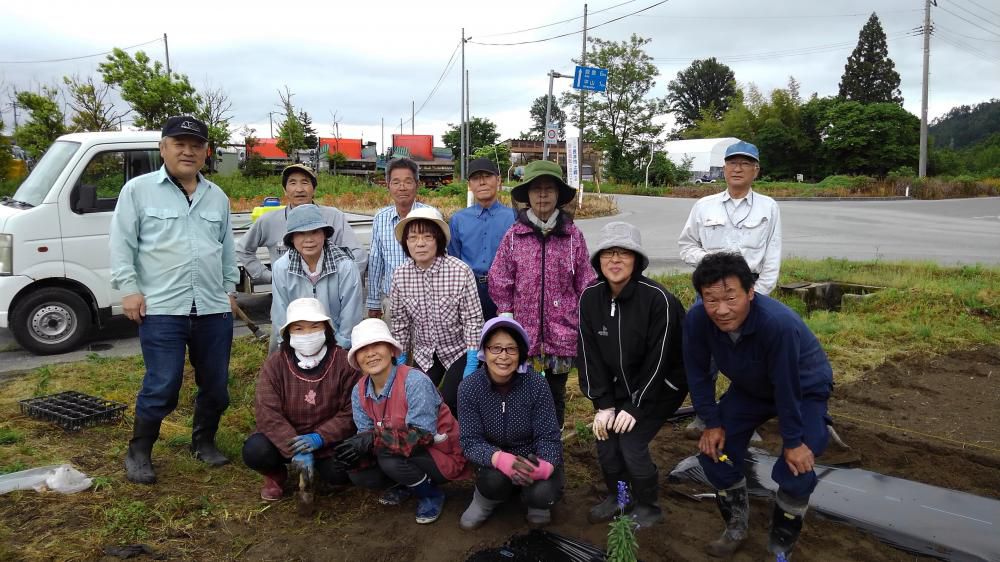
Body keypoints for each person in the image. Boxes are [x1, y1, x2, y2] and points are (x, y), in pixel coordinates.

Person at [110, 115, 239, 484]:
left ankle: (203, 442)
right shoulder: (138, 191)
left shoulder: (217, 198)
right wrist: (129, 289)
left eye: (196, 145)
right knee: (163, 383)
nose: (188, 151)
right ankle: (139, 450)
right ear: (163, 147)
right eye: (179, 144)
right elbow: (122, 244)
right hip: (162, 306)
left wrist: (228, 289)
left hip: (213, 307)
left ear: (206, 152)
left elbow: (227, 250)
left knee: (215, 384)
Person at [684, 252, 833, 558]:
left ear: (751, 292)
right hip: (751, 388)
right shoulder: (698, 318)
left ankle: (782, 540)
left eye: (731, 298)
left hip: (803, 387)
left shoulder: (777, 324)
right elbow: (697, 372)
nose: (721, 310)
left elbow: (787, 386)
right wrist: (710, 422)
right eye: (711, 299)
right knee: (715, 453)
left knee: (798, 465)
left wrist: (793, 441)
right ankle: (736, 525)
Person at [577, 222, 688, 528]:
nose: (615, 260)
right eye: (608, 253)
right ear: (598, 261)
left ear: (637, 260)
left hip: (660, 387)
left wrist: (636, 406)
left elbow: (660, 359)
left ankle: (649, 505)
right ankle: (619, 497)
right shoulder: (590, 297)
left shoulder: (659, 301)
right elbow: (589, 355)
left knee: (630, 442)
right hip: (616, 387)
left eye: (623, 253)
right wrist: (603, 404)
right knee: (605, 438)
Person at [677, 140, 782, 437]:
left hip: (750, 292)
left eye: (745, 163)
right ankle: (704, 414)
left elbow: (772, 252)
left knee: (749, 357)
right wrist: (712, 263)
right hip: (710, 291)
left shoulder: (768, 207)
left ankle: (745, 416)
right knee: (702, 352)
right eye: (732, 163)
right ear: (723, 169)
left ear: (756, 171)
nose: (738, 168)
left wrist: (759, 294)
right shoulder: (704, 206)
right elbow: (686, 246)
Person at [488, 159, 596, 430]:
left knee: (556, 393)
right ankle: (525, 437)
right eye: (537, 189)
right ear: (528, 195)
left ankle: (553, 439)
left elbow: (585, 279)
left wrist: (586, 316)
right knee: (524, 390)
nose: (543, 195)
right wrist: (507, 314)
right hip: (525, 333)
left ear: (559, 194)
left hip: (563, 331)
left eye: (549, 189)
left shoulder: (573, 236)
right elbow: (500, 277)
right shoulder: (515, 235)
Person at [334, 319, 468, 525]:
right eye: (363, 349)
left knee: (388, 456)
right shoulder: (359, 390)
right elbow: (365, 433)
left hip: (441, 453)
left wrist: (372, 439)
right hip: (399, 450)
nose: (370, 354)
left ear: (390, 349)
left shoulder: (415, 381)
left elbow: (420, 436)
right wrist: (355, 452)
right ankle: (408, 483)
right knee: (359, 472)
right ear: (357, 358)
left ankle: (431, 494)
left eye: (377, 345)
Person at [242, 298, 361, 500]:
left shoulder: (344, 362)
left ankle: (320, 474)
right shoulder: (276, 364)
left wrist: (319, 437)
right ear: (289, 333)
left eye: (314, 327)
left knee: (339, 472)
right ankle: (276, 475)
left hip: (327, 442)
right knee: (256, 451)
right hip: (286, 440)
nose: (307, 334)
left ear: (326, 329)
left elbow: (351, 411)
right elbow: (267, 412)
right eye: (299, 328)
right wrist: (295, 444)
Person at [457, 317, 563, 529]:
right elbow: (470, 441)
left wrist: (543, 467)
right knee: (492, 482)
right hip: (494, 461)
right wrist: (500, 459)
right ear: (484, 352)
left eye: (511, 349)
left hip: (531, 457)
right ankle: (485, 500)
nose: (503, 356)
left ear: (520, 353)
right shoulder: (469, 388)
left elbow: (549, 436)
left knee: (543, 493)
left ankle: (536, 503)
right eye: (495, 348)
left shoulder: (537, 384)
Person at [389, 207, 483, 416]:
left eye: (427, 237)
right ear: (406, 243)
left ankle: (458, 442)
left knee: (451, 398)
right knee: (417, 397)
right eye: (412, 238)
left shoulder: (460, 271)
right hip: (424, 353)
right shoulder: (400, 276)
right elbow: (399, 323)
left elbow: (473, 320)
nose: (420, 243)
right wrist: (401, 361)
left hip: (458, 350)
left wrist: (472, 360)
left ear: (438, 239)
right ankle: (428, 441)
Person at [235, 163, 366, 283]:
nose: (299, 189)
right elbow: (243, 249)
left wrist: (342, 283)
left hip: (327, 301)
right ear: (284, 190)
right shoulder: (269, 220)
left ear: (314, 189)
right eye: (292, 183)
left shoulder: (333, 217)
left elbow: (358, 254)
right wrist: (268, 277)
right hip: (287, 299)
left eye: (305, 182)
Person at [269, 204, 362, 353]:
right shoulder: (281, 268)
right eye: (301, 233)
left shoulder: (345, 266)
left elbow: (351, 314)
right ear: (292, 238)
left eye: (314, 232)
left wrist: (340, 346)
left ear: (324, 234)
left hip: (337, 343)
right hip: (298, 342)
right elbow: (280, 312)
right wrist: (290, 346)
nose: (309, 239)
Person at [447, 158, 516, 321]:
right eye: (476, 178)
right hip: (470, 288)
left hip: (506, 289)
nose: (482, 182)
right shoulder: (458, 220)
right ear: (469, 185)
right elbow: (454, 260)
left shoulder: (514, 217)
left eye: (487, 176)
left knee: (502, 340)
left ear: (498, 180)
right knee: (472, 339)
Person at [366, 157, 433, 321]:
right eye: (396, 182)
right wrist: (374, 302)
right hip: (393, 301)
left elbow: (442, 257)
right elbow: (376, 261)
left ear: (417, 184)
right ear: (388, 185)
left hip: (428, 301)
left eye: (408, 181)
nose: (402, 187)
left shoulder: (430, 215)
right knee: (394, 346)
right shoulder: (380, 218)